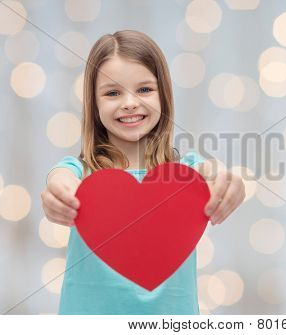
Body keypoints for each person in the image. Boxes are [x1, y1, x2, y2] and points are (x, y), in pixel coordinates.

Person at [41, 30, 245, 314]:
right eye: (112, 92)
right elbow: (60, 179)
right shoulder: (83, 173)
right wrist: (59, 193)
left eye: (145, 89)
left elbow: (211, 172)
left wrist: (227, 180)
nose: (129, 102)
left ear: (164, 95)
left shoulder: (185, 173)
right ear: (94, 102)